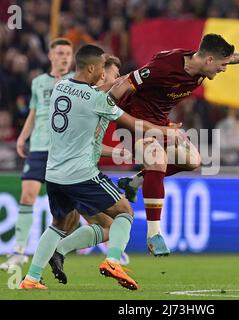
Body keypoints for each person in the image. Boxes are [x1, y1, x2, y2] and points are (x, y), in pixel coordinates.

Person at [19, 44, 180, 290]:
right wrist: (166, 130)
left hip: (54, 174)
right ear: (93, 68)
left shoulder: (60, 87)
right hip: (82, 174)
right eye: (103, 71)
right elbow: (134, 123)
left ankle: (31, 278)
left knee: (59, 225)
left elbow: (94, 106)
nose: (104, 77)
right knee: (125, 212)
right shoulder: (97, 100)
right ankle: (113, 261)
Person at [111, 33, 239, 256]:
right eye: (221, 65)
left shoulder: (202, 66)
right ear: (209, 61)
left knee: (193, 160)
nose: (223, 69)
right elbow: (124, 84)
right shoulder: (164, 66)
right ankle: (154, 234)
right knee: (157, 158)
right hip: (134, 123)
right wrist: (102, 111)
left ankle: (135, 182)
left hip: (161, 125)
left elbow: (227, 58)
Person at [48, 55, 131, 285]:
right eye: (113, 74)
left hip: (64, 171)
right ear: (100, 73)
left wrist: (115, 153)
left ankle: (38, 269)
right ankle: (60, 253)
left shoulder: (81, 95)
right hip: (80, 175)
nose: (114, 79)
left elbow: (91, 143)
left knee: (73, 225)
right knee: (114, 221)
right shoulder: (95, 100)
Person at [0, 38, 74, 271]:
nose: (64, 57)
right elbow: (34, 112)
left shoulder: (76, 83)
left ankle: (59, 249)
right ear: (50, 56)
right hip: (40, 148)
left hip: (65, 152)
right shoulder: (38, 82)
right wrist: (23, 137)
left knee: (69, 208)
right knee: (27, 195)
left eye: (68, 53)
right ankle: (19, 252)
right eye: (60, 52)